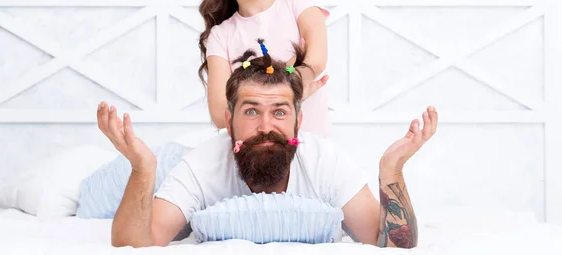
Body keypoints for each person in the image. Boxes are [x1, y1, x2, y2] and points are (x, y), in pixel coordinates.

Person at [97, 40, 438, 248]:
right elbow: (135, 244)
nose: (265, 126)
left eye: (279, 111)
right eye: (250, 111)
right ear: (228, 122)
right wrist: (143, 169)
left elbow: (391, 244)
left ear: (298, 122)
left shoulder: (322, 159)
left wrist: (391, 171)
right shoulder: (203, 163)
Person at [198, 0, 331, 136]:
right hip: (255, 154)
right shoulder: (220, 36)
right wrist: (293, 89)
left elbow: (315, 59)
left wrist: (251, 101)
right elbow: (219, 113)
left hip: (311, 144)